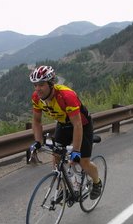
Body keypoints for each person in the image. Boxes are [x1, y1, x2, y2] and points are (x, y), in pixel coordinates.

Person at [28, 65, 102, 200]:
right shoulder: (37, 98)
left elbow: (77, 124)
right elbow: (37, 122)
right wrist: (38, 142)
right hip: (63, 124)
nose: (38, 89)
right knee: (56, 157)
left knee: (83, 162)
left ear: (51, 84)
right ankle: (63, 187)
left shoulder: (66, 95)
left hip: (82, 125)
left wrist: (76, 150)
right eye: (35, 85)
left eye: (41, 85)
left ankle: (97, 182)